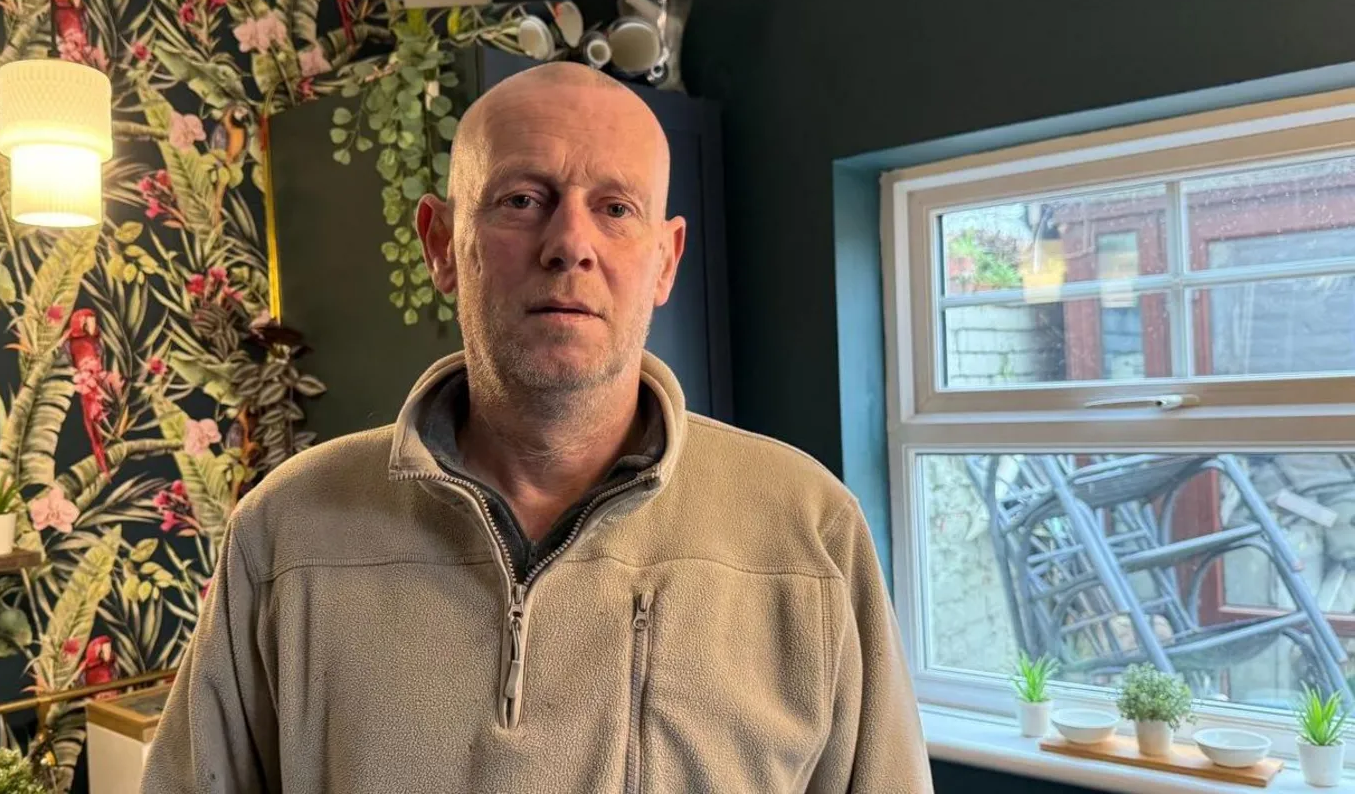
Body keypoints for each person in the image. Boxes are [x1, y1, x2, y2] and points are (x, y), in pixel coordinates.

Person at [140, 62, 931, 792]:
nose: (569, 246)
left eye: (615, 209)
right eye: (522, 199)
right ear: (442, 244)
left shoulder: (809, 533)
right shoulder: (288, 532)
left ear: (664, 260)